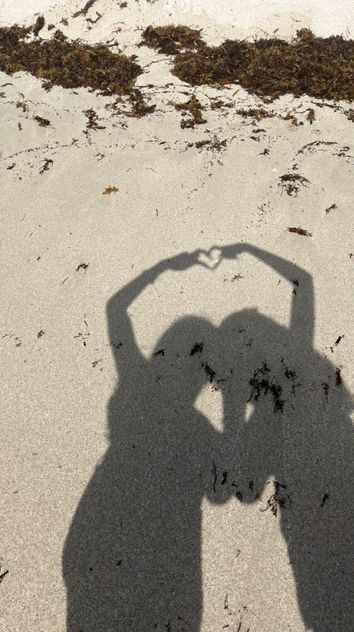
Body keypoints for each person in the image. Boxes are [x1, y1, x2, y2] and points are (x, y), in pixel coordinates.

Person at [215, 243, 354, 632]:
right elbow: (306, 283)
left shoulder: (264, 423)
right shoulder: (306, 366)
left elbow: (243, 493)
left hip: (324, 533)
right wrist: (250, 250)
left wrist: (233, 408)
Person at [62, 252, 231, 632]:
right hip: (169, 558)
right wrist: (234, 408)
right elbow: (224, 492)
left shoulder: (133, 384)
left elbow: (115, 310)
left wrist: (162, 269)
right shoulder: (198, 427)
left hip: (95, 525)